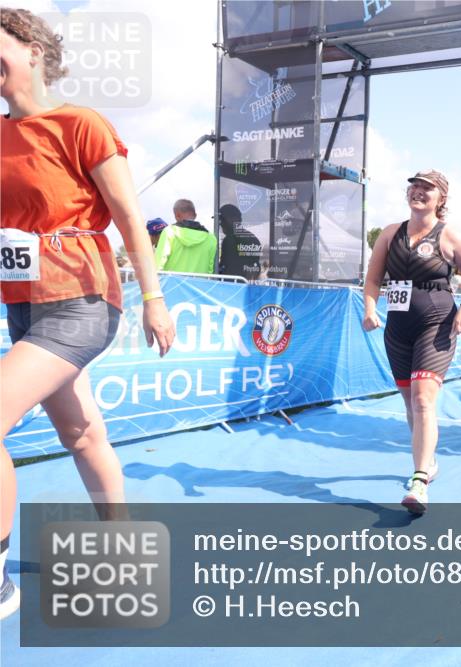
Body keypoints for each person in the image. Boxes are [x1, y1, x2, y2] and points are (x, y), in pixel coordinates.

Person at [0, 7, 175, 620]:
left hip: (83, 301)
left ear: (31, 49)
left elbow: (129, 218)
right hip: (22, 306)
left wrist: (154, 299)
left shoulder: (81, 124)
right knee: (80, 433)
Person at [362, 170, 461, 514]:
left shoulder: (451, 237)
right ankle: (428, 461)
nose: (417, 191)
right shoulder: (390, 233)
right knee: (410, 403)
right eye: (414, 186)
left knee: (422, 399)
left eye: (426, 188)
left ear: (440, 198)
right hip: (398, 329)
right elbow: (373, 279)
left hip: (437, 325)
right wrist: (370, 308)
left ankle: (419, 482)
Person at [154, 198, 217, 274]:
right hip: (199, 282)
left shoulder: (169, 232)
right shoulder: (211, 238)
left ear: (177, 215)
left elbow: (158, 264)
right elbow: (210, 270)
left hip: (171, 281)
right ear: (195, 215)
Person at [217, 203, 262, 280]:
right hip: (246, 284)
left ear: (231, 219)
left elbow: (225, 267)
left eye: (221, 220)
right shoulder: (253, 238)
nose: (220, 224)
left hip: (232, 284)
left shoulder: (229, 240)